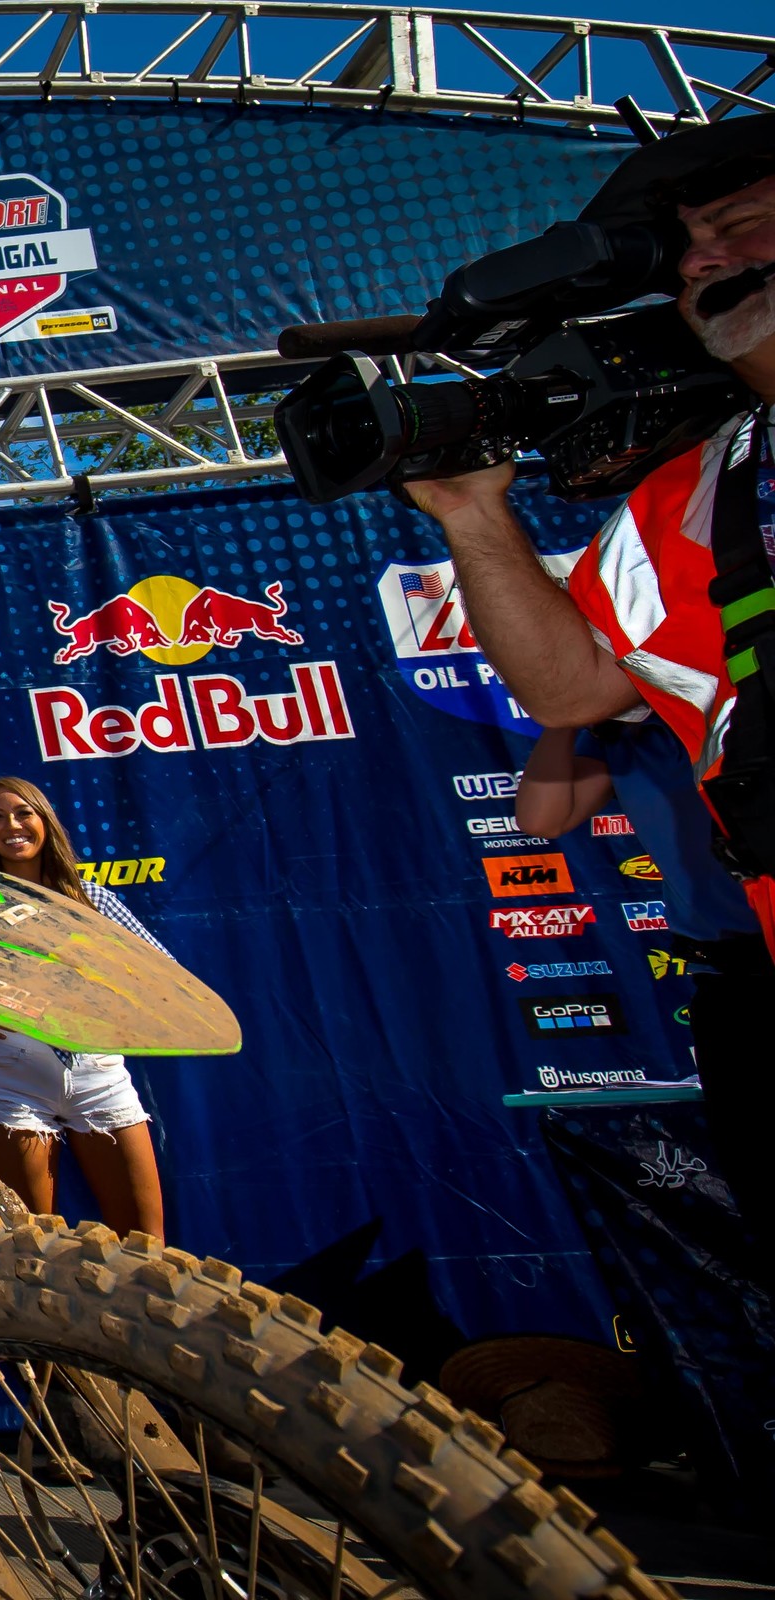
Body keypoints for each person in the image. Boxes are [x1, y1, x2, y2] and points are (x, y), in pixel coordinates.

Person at [404, 112, 775, 1275]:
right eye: (687, 251)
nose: (702, 260)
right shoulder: (699, 489)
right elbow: (575, 686)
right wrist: (474, 513)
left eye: (734, 227)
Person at [515, 718, 770, 1282]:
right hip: (728, 980)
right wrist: (561, 721)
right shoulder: (623, 742)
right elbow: (539, 817)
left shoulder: (727, 711)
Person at [0, 777, 171, 1238]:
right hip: (13, 1081)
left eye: (23, 813)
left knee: (144, 1244)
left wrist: (104, 1010)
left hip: (98, 1077)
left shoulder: (93, 901)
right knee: (29, 1247)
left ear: (44, 821)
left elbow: (164, 978)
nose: (12, 825)